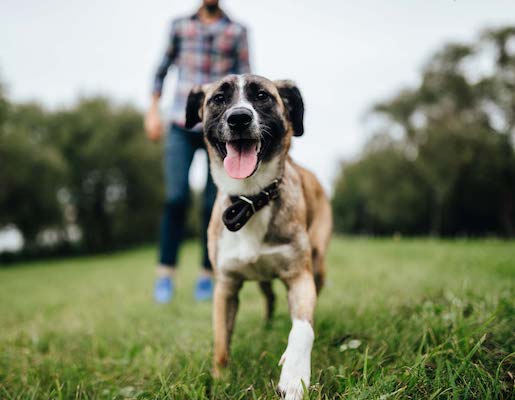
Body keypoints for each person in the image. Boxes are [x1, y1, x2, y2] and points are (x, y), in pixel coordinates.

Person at [145, 0, 250, 303]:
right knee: (175, 198)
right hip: (181, 122)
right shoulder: (180, 26)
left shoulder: (237, 31)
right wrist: (153, 111)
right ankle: (165, 274)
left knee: (211, 204)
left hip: (220, 128)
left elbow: (245, 77)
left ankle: (207, 274)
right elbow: (161, 70)